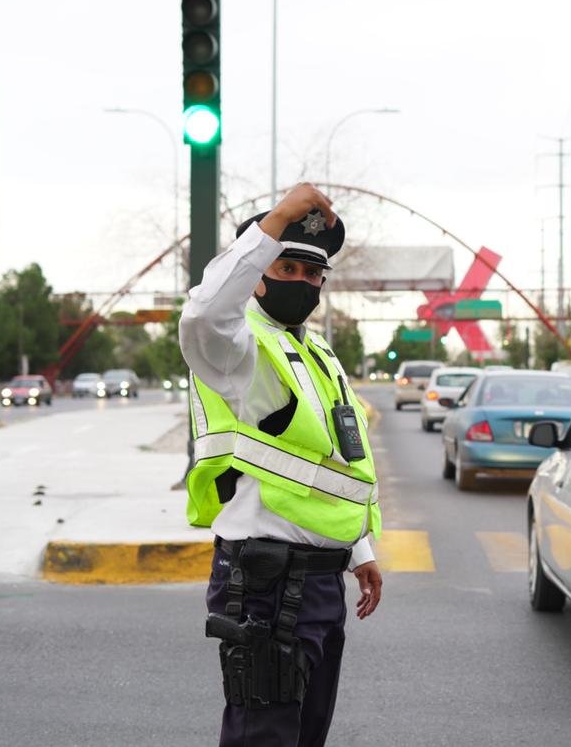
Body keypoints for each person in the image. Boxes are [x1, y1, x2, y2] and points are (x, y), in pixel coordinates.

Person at [180, 182, 383, 747]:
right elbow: (203, 315)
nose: (301, 281)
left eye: (312, 273)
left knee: (304, 737)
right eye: (285, 267)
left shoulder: (316, 352)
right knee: (265, 738)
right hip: (266, 582)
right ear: (259, 273)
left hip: (321, 581)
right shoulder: (239, 348)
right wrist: (270, 226)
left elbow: (334, 462)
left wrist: (359, 549)